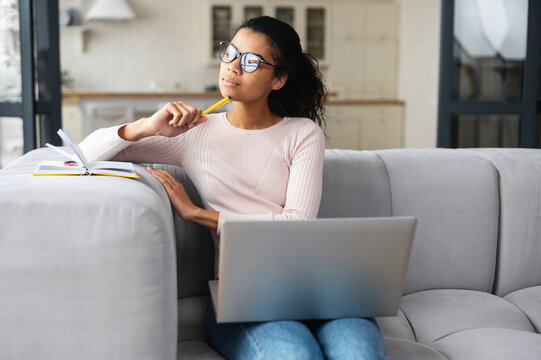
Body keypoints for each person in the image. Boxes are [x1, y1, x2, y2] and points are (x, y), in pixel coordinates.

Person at [80, 16, 389, 360]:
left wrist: (199, 214)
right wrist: (145, 125)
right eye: (230, 53)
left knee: (361, 355)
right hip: (244, 295)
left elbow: (296, 223)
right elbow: (83, 156)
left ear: (278, 79)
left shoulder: (302, 134)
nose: (233, 67)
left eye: (251, 61)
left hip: (323, 289)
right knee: (297, 355)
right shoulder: (193, 135)